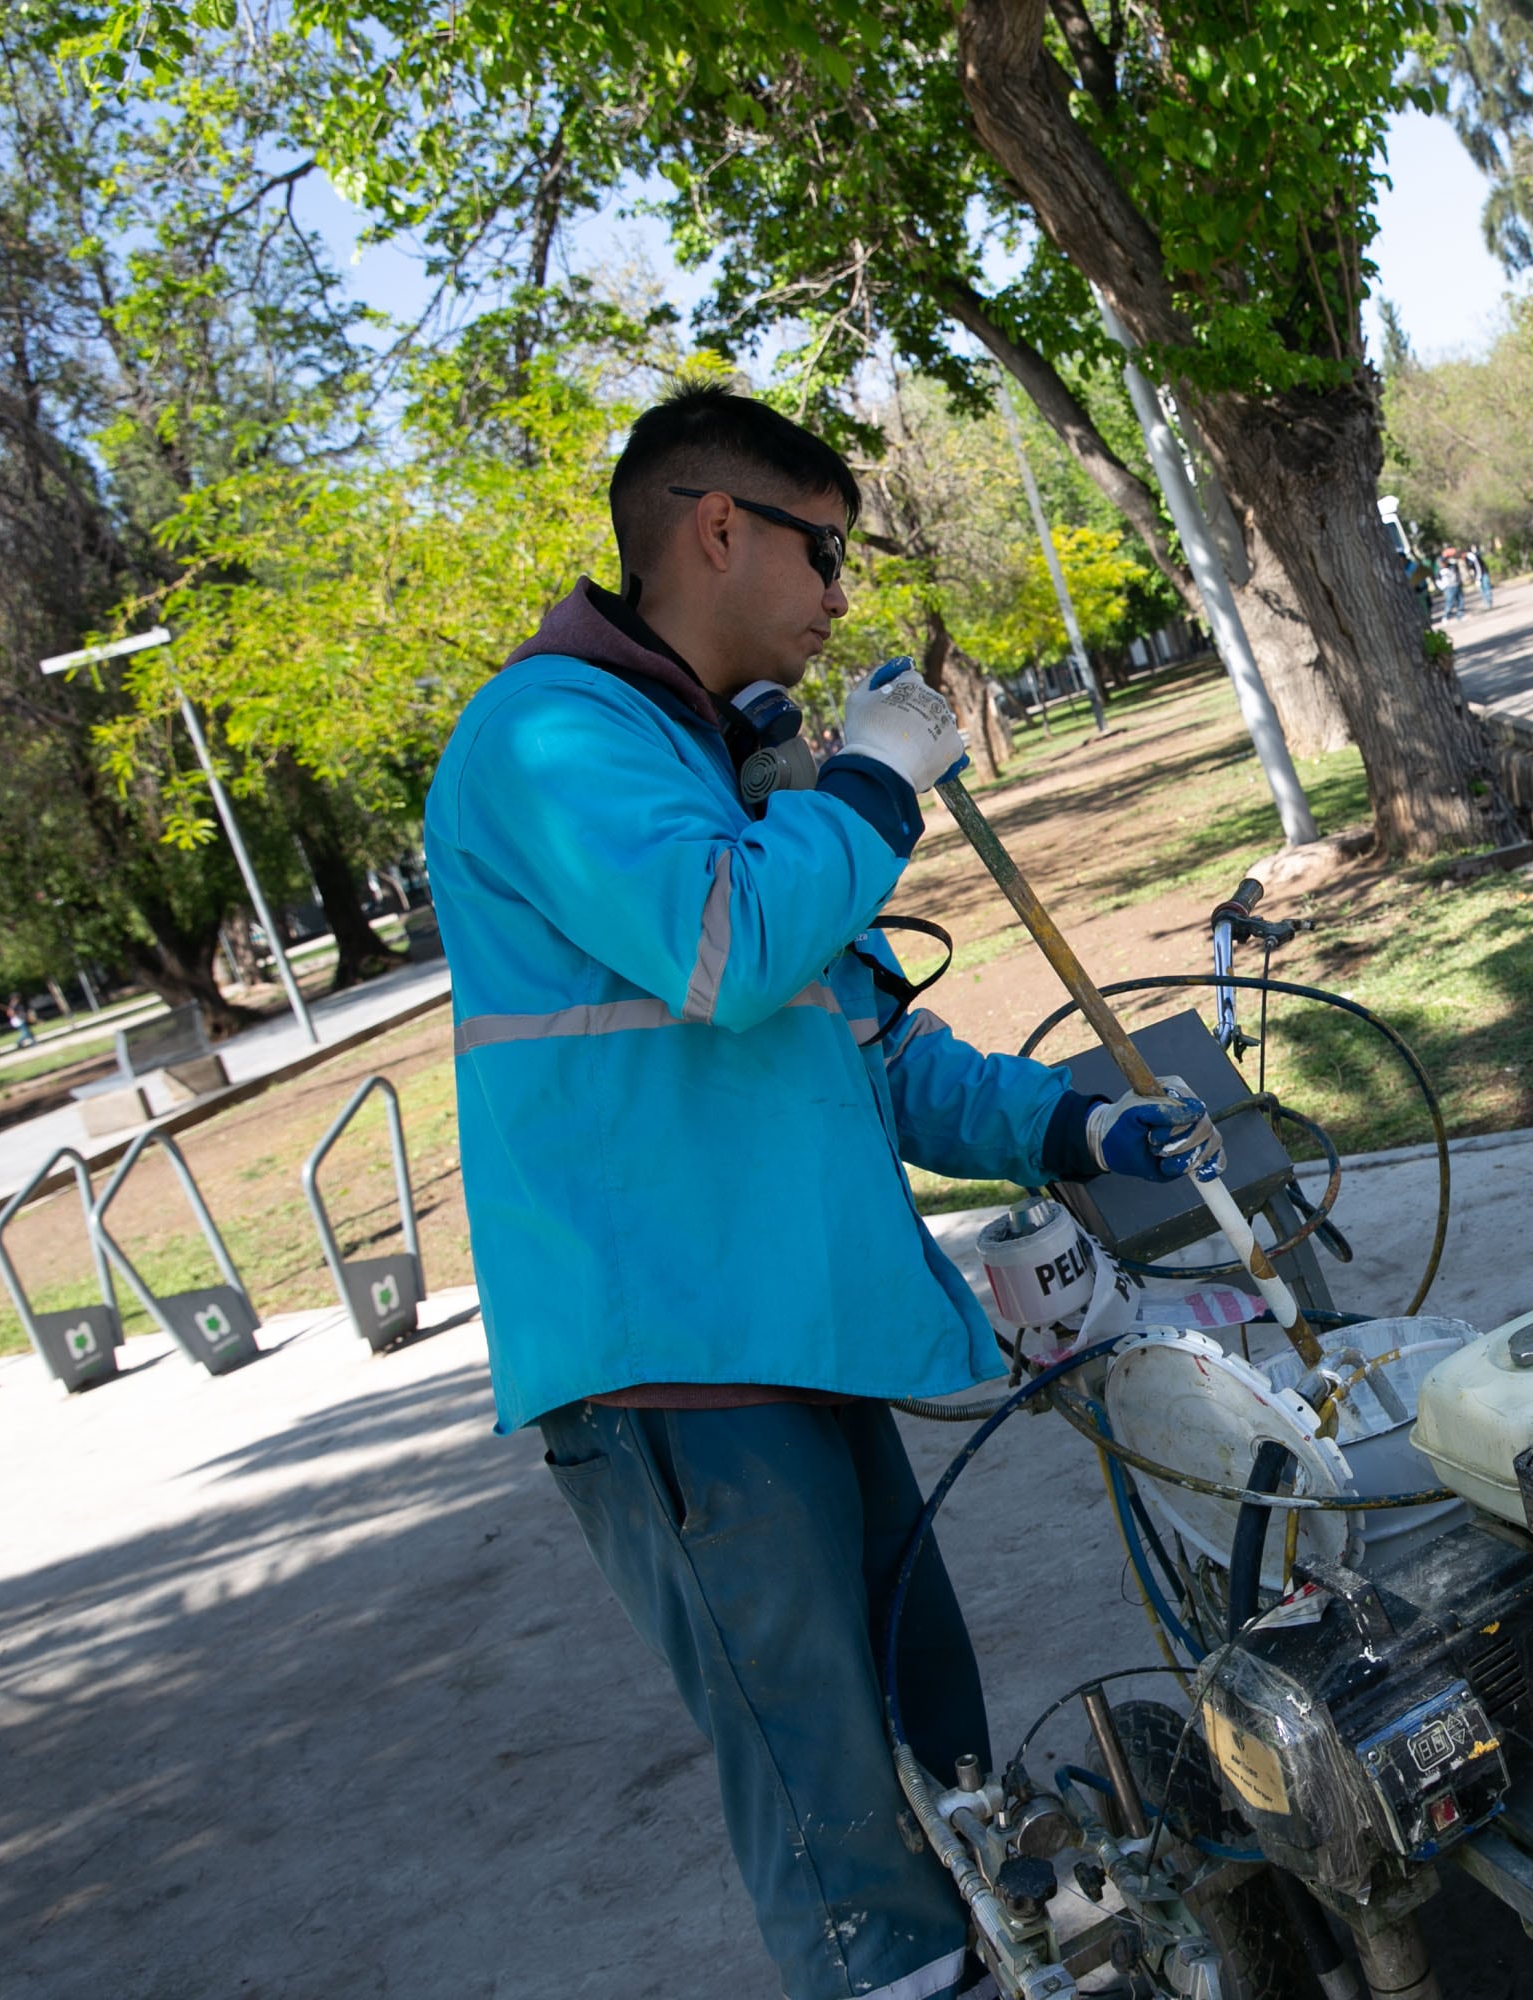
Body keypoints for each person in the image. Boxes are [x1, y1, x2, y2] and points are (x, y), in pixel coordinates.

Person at [423, 385, 1221, 1999]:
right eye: (824, 551)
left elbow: (868, 1044)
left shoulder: (705, 761)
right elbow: (728, 949)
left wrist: (1083, 1130)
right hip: (679, 1361)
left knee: (935, 1740)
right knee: (836, 1811)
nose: (840, 596)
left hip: (801, 1330)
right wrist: (866, 789)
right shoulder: (552, 737)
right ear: (719, 526)